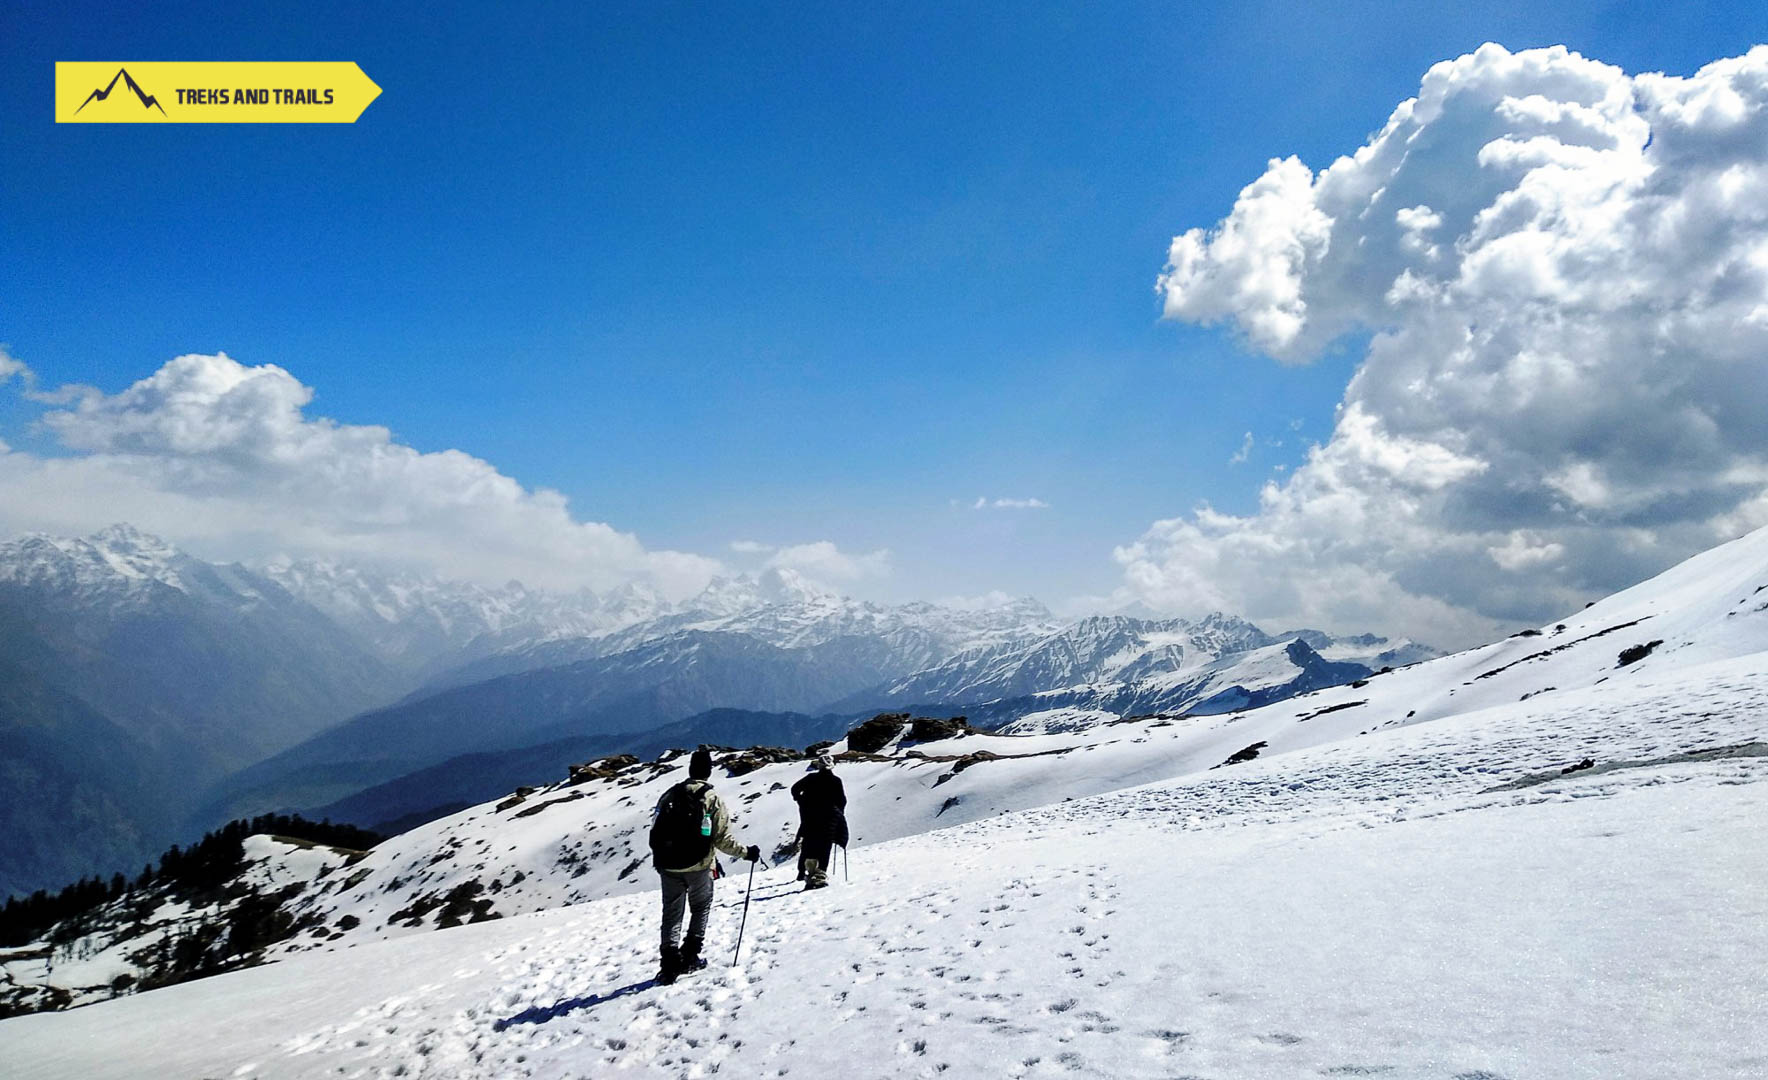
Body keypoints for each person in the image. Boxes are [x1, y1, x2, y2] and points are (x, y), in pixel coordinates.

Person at [650, 747, 759, 984]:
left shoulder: (670, 794)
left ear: (690, 770)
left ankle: (669, 963)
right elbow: (722, 840)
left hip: (668, 866)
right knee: (700, 908)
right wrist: (747, 853)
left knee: (671, 913)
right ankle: (690, 956)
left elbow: (655, 829)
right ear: (709, 772)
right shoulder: (711, 798)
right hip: (699, 865)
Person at [790, 750, 847, 890]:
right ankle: (820, 874)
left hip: (810, 819)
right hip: (829, 820)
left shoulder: (810, 779)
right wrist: (838, 814)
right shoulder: (836, 781)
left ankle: (809, 874)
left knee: (809, 846)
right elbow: (842, 801)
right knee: (825, 846)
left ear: (819, 766)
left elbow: (795, 789)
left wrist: (801, 801)